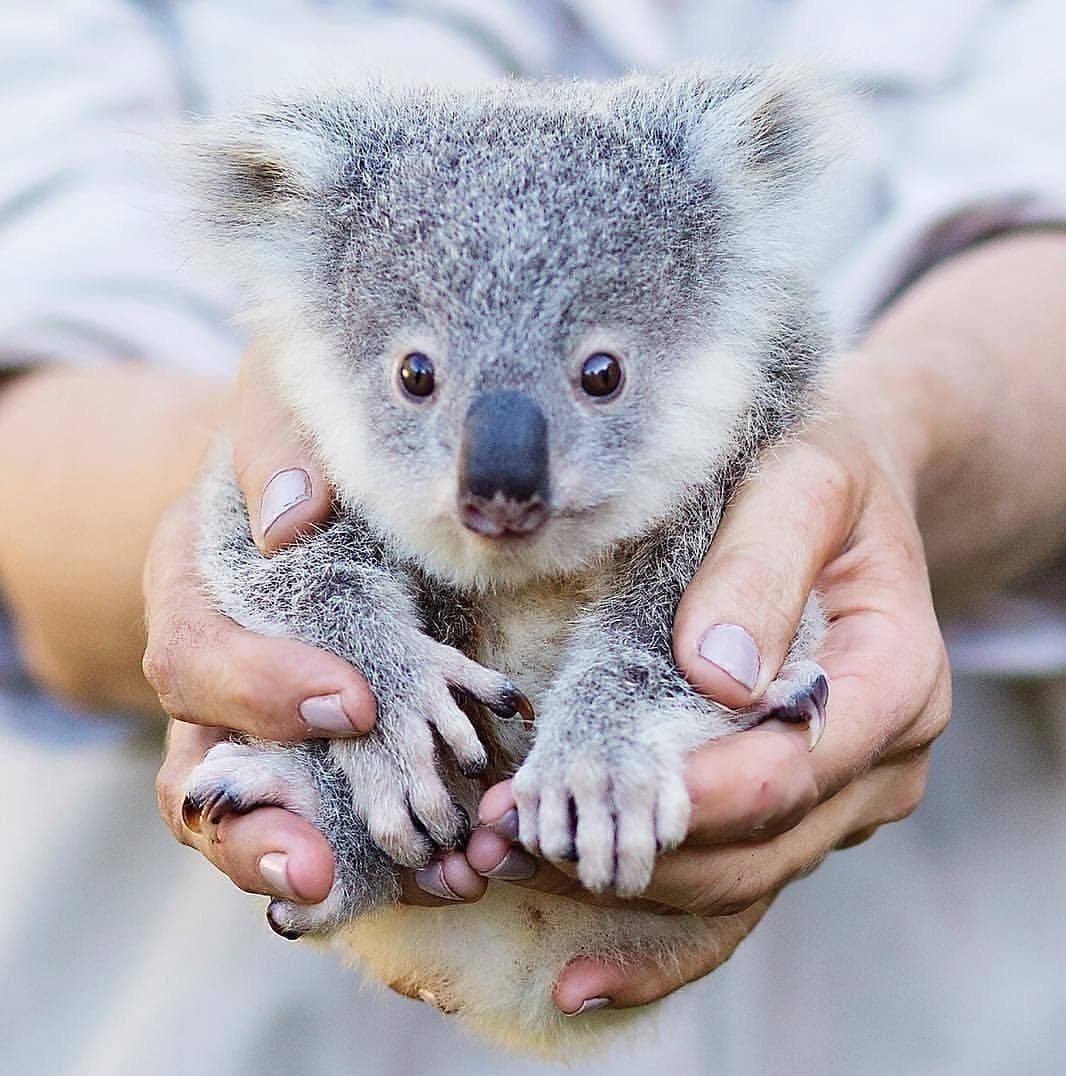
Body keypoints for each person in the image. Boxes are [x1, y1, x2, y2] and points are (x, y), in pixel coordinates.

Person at [2, 2, 1066, 1073]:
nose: (501, 479)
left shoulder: (745, 349)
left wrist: (897, 439)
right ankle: (346, 800)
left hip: (898, 1000)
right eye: (417, 376)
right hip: (211, 1016)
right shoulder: (305, 269)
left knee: (721, 541)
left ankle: (623, 744)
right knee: (297, 551)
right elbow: (39, 405)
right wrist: (320, 645)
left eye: (599, 376)